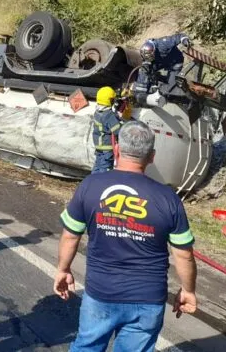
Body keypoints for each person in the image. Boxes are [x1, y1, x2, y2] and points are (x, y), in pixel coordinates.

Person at [56, 120, 197, 352]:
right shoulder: (169, 199)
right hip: (148, 299)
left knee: (87, 347)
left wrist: (63, 270)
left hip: (101, 293)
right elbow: (184, 255)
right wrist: (188, 291)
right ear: (152, 156)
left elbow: (71, 236)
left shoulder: (91, 186)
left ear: (117, 150)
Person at [133, 33, 191, 105]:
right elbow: (144, 71)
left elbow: (177, 37)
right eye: (148, 58)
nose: (149, 59)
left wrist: (184, 40)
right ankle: (146, 90)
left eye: (151, 57)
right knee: (146, 71)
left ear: (154, 51)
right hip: (161, 63)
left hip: (175, 61)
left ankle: (186, 100)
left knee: (171, 88)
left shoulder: (162, 43)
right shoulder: (146, 55)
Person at [91, 86, 122, 174]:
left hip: (99, 147)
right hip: (107, 148)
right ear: (110, 100)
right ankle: (102, 185)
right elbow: (117, 131)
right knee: (105, 169)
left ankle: (93, 182)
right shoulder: (108, 115)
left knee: (97, 166)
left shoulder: (97, 112)